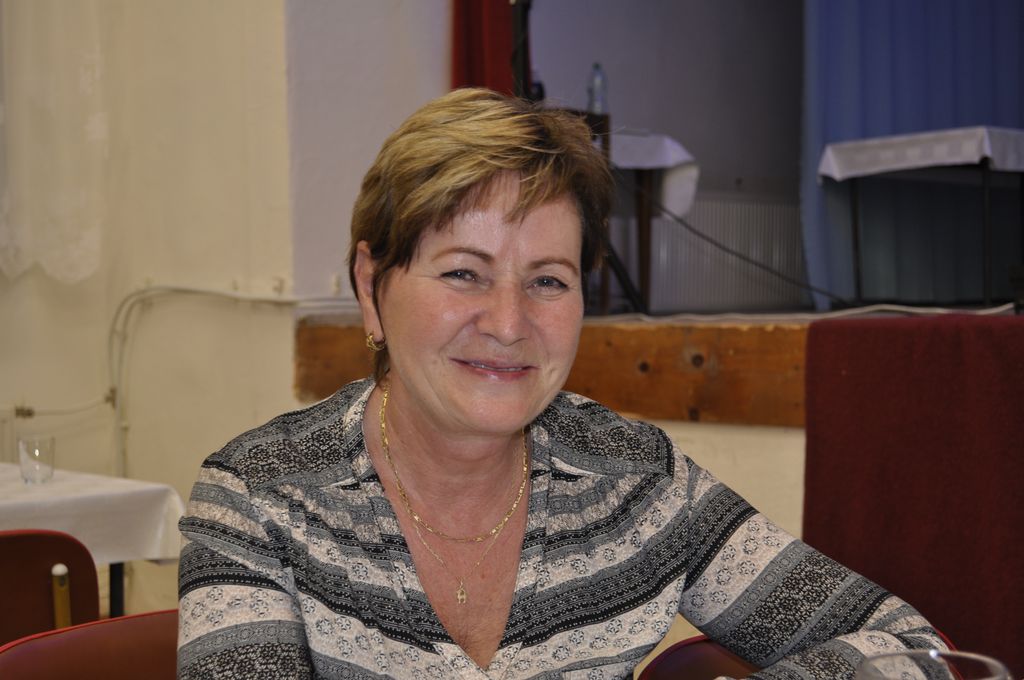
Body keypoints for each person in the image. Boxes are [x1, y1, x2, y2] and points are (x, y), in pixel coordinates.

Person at [178, 88, 945, 679]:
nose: (508, 323)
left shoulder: (638, 483)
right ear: (371, 287)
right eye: (463, 273)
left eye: (547, 280)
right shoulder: (257, 498)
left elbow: (911, 648)